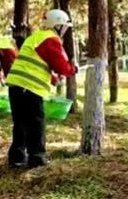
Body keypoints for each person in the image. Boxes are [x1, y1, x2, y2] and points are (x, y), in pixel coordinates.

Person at [6, 9, 78, 169]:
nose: (65, 31)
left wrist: (52, 78)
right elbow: (61, 66)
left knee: (20, 123)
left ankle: (16, 158)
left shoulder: (36, 37)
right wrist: (72, 69)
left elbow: (32, 63)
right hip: (30, 89)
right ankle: (37, 159)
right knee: (35, 123)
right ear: (58, 26)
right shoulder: (50, 39)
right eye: (64, 27)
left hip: (16, 86)